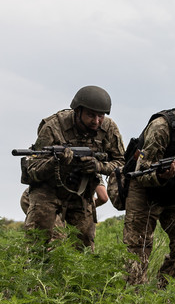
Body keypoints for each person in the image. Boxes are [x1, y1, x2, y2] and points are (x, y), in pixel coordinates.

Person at [22, 86, 125, 253]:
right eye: (91, 115)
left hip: (80, 191)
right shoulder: (53, 126)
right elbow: (33, 169)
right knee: (38, 243)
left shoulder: (109, 128)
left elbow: (121, 163)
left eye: (101, 116)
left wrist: (97, 166)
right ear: (78, 111)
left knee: (83, 247)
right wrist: (57, 162)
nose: (96, 121)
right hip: (48, 191)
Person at [122, 83, 175, 286]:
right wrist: (162, 176)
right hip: (144, 190)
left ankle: (164, 290)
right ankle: (130, 298)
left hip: (174, 194)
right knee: (137, 249)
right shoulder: (162, 126)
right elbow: (141, 171)